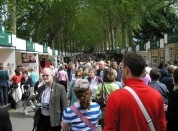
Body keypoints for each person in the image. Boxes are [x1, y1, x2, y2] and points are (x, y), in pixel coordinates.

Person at [104, 51, 166, 131]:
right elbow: (162, 126)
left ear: (127, 70)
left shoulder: (115, 97)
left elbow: (110, 129)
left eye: (122, 67)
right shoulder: (157, 95)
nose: (121, 70)